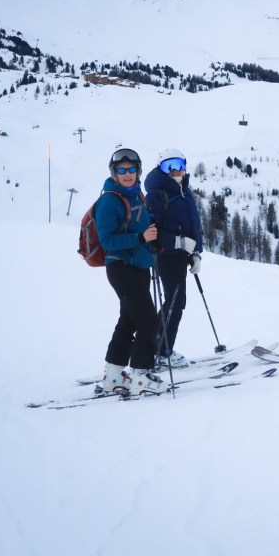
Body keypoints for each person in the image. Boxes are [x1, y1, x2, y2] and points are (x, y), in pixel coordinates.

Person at [97, 148, 169, 395]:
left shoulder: (137, 195)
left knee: (128, 321)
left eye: (131, 169)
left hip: (138, 267)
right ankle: (140, 375)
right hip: (121, 268)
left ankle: (114, 375)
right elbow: (107, 240)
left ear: (138, 172)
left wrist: (151, 237)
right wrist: (140, 237)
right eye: (122, 170)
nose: (127, 174)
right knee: (148, 321)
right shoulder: (109, 200)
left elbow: (141, 227)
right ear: (114, 173)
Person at [144, 148, 204, 368]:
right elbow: (153, 233)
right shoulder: (156, 194)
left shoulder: (184, 192)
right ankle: (161, 350)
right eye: (168, 166)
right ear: (160, 169)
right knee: (174, 303)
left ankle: (157, 347)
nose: (175, 170)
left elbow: (193, 226)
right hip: (166, 256)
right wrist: (179, 242)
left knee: (175, 302)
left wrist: (195, 252)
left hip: (181, 255)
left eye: (179, 165)